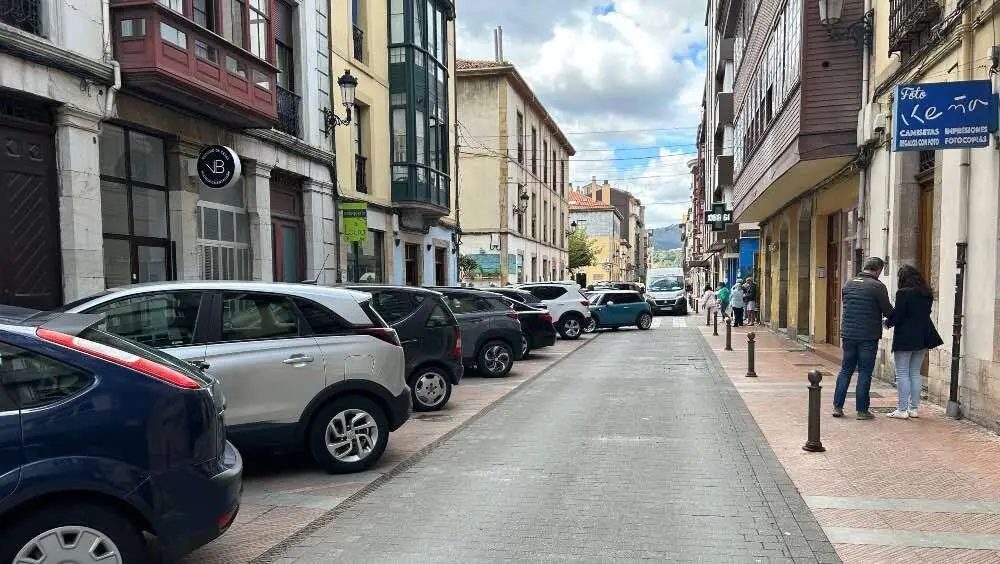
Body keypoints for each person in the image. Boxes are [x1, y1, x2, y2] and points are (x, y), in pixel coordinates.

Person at [833, 257, 894, 420]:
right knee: (865, 372)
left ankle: (837, 407)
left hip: (848, 334)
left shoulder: (848, 283)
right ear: (878, 270)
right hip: (868, 336)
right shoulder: (877, 286)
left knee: (846, 369)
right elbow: (888, 311)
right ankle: (861, 410)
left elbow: (846, 304)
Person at [884, 265, 944, 419]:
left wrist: (887, 323)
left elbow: (899, 315)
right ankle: (913, 408)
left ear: (903, 279)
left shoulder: (903, 293)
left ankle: (902, 410)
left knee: (902, 374)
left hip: (905, 337)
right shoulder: (927, 293)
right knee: (915, 373)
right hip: (923, 336)